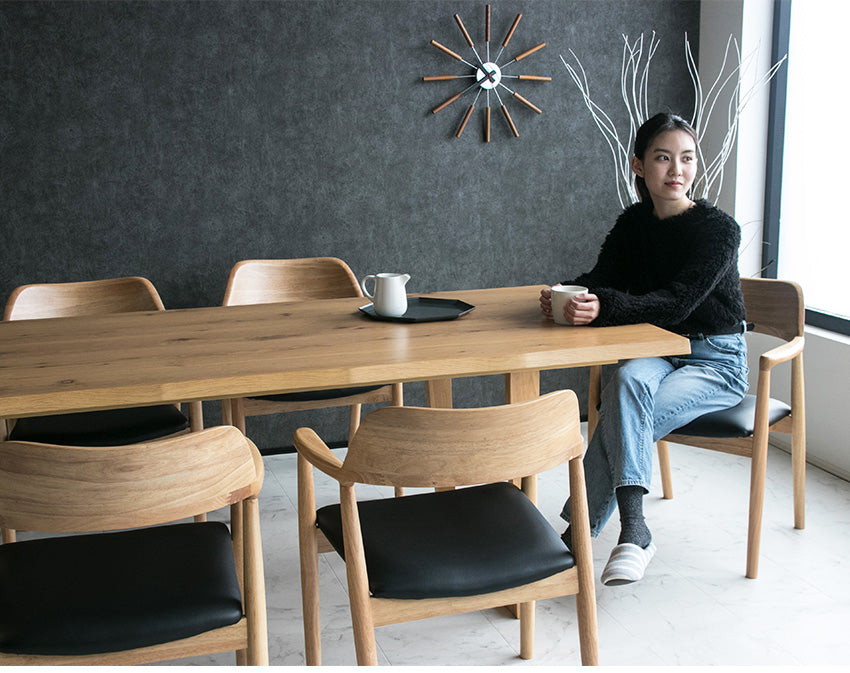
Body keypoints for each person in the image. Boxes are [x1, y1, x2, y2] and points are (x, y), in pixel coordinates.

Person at [540, 112, 749, 585]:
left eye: (687, 158)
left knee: (623, 416)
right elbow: (603, 277)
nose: (677, 170)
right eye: (662, 157)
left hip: (716, 360)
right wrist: (567, 294)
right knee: (628, 381)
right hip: (659, 350)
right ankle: (632, 532)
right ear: (638, 165)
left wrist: (605, 305)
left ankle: (591, 533)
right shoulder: (634, 223)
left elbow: (677, 302)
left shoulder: (719, 230)